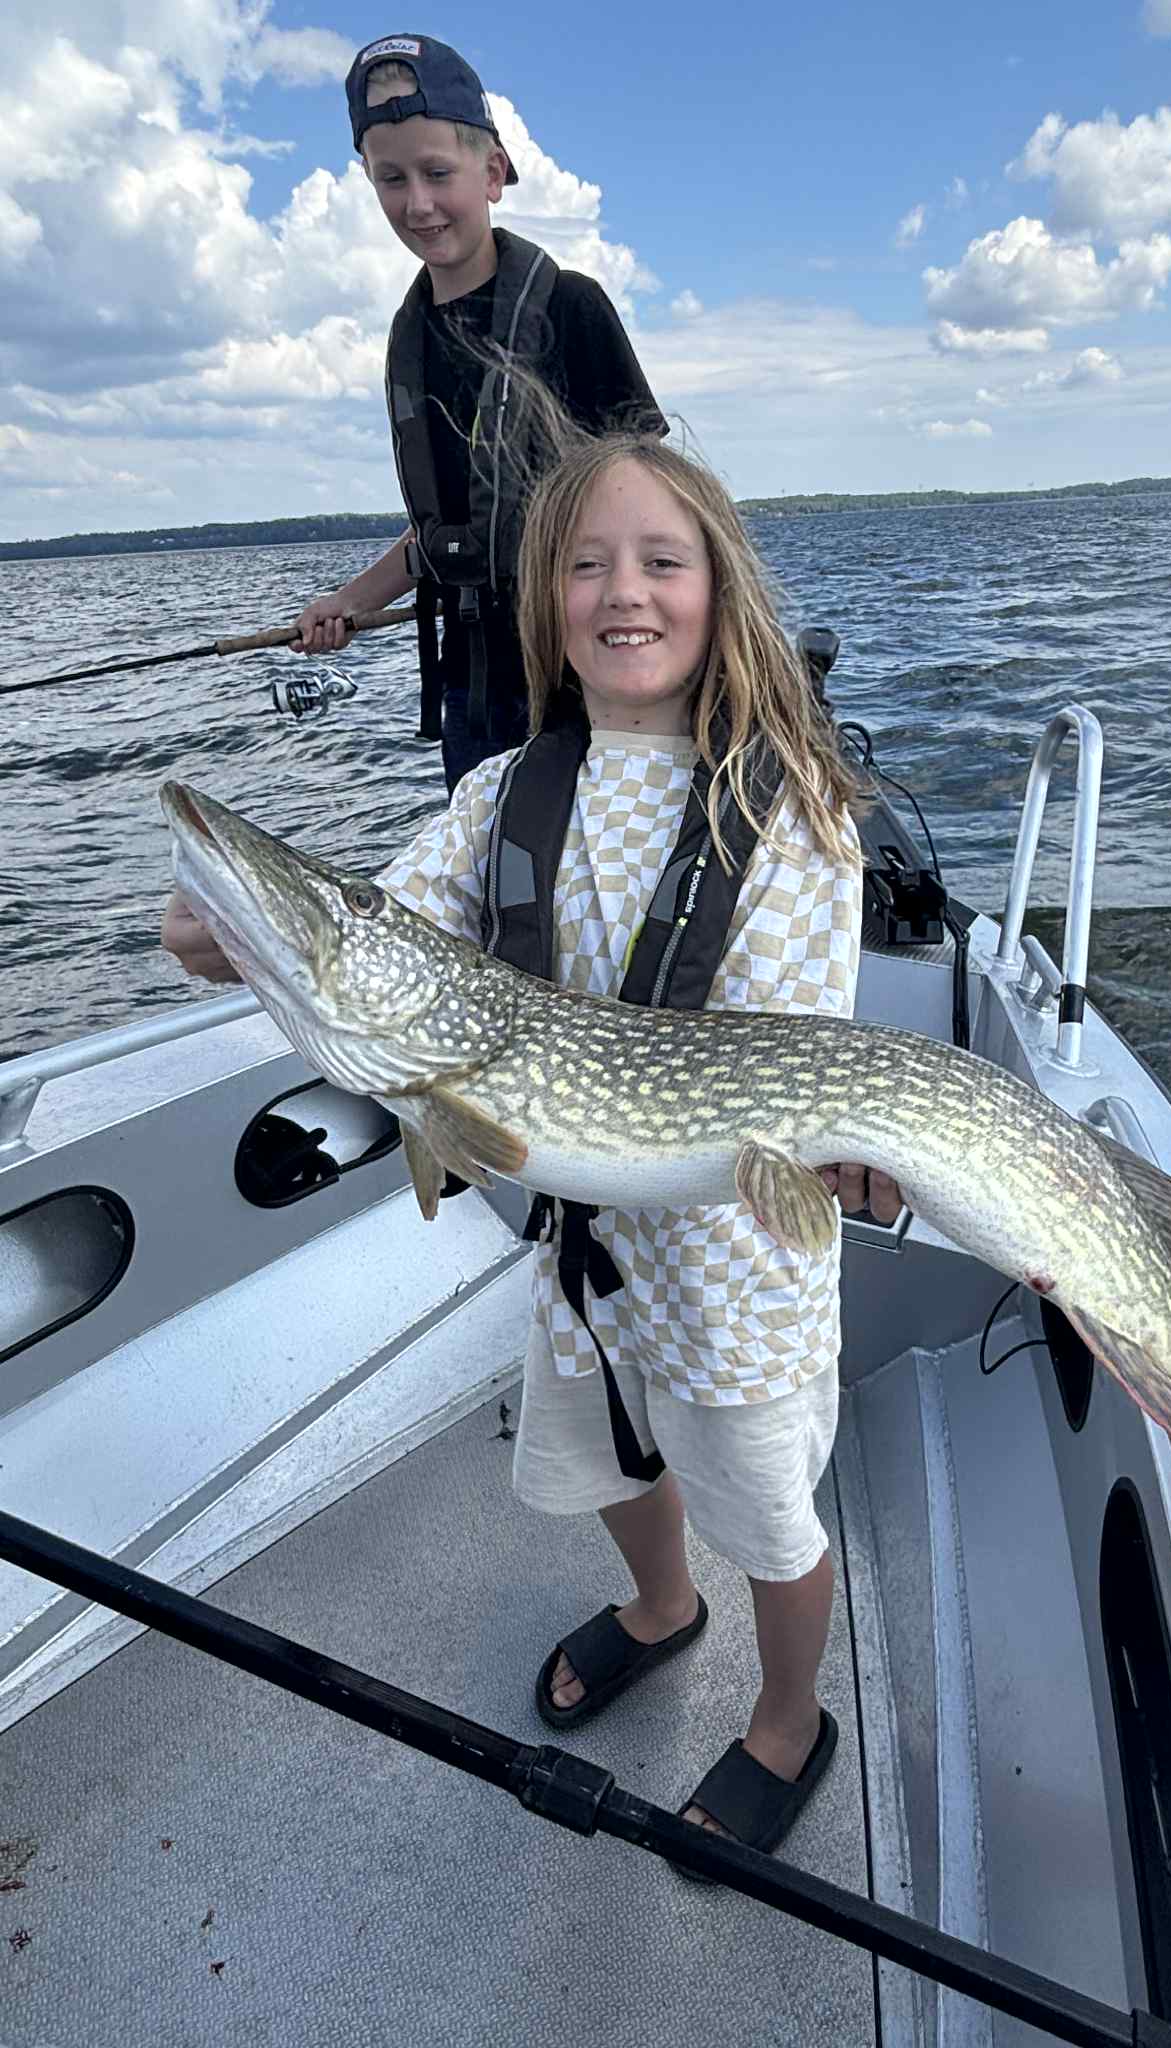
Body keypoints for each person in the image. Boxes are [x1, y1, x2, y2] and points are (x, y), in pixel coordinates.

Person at [163, 412, 903, 1868]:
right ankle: (657, 1608)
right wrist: (233, 934)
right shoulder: (502, 791)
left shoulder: (795, 811)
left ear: (719, 590)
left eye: (661, 560)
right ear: (545, 607)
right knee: (609, 1460)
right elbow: (383, 941)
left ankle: (788, 1719)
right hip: (583, 1254)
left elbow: (784, 1054)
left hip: (738, 1274)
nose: (622, 591)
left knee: (768, 1513)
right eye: (584, 565)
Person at [296, 33, 665, 793]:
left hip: (584, 678)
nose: (418, 203)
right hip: (472, 689)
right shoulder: (412, 341)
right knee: (493, 891)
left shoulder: (572, 308)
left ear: (493, 172)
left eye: (438, 173)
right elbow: (449, 536)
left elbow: (660, 503)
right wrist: (347, 604)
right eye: (391, 179)